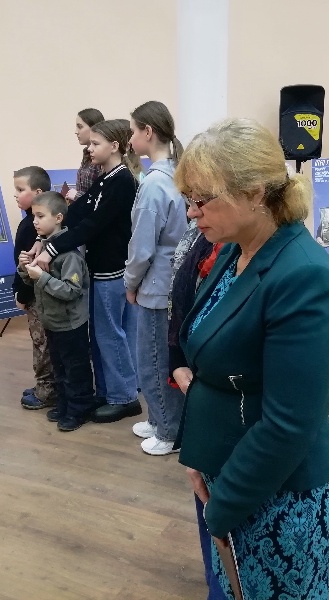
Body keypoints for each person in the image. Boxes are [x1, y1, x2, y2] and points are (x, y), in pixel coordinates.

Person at [173, 118, 329, 599]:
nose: (192, 212)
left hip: (277, 492)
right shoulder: (236, 251)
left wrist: (222, 506)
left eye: (202, 199)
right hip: (227, 466)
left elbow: (290, 423)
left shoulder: (305, 277)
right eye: (189, 198)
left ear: (254, 193)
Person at [35, 119, 140, 423]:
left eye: (95, 143)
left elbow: (93, 224)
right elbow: (78, 213)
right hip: (102, 269)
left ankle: (124, 398)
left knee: (110, 336)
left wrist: (53, 248)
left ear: (115, 146)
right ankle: (107, 393)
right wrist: (45, 238)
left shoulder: (121, 181)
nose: (89, 148)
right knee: (103, 336)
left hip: (111, 270)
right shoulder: (106, 178)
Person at [125, 100, 188, 456]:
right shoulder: (176, 175)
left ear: (148, 132)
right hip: (170, 280)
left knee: (153, 360)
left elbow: (142, 247)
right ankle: (159, 417)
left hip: (157, 284)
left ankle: (169, 430)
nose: (130, 139)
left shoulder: (154, 184)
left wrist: (130, 283)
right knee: (159, 357)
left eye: (133, 131)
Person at [169, 220, 224, 599]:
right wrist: (177, 361)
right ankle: (217, 583)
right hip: (205, 402)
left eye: (202, 200)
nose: (192, 210)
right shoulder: (205, 241)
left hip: (241, 420)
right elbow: (183, 300)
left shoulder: (292, 266)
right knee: (206, 500)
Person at [19, 192, 93, 432]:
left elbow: (71, 291)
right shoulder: (43, 248)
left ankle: (79, 409)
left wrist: (41, 277)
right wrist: (25, 269)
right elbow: (35, 284)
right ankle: (64, 405)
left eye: (41, 216)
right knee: (59, 368)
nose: (35, 222)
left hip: (70, 324)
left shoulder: (69, 254)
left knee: (75, 370)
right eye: (33, 216)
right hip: (52, 322)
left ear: (59, 218)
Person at [12, 166, 58, 410]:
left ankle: (46, 391)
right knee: (41, 343)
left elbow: (31, 267)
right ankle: (44, 385)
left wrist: (22, 294)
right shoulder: (29, 224)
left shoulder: (35, 227)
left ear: (38, 192)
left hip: (37, 297)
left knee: (43, 345)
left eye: (21, 189)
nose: (16, 195)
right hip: (33, 295)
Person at [65, 108, 105, 205]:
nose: (76, 131)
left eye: (80, 127)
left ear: (93, 127)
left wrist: (77, 195)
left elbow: (102, 196)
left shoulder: (102, 158)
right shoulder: (87, 154)